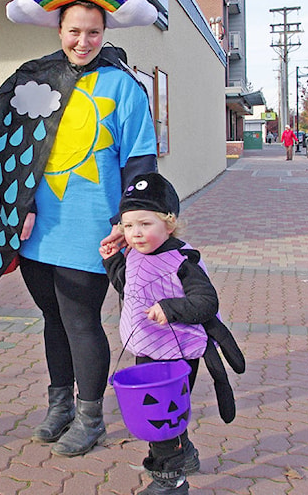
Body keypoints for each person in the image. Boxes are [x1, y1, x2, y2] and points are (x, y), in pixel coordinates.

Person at [0, 0, 159, 458]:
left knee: (80, 318)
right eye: (73, 30)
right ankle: (59, 406)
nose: (82, 41)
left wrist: (129, 220)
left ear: (105, 33)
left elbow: (140, 160)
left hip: (93, 227)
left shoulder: (122, 86)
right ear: (58, 29)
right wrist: (11, 210)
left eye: (93, 32)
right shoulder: (33, 79)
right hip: (38, 226)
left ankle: (90, 417)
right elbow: (9, 151)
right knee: (52, 318)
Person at [100, 173, 243, 495]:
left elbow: (206, 302)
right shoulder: (135, 253)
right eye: (128, 226)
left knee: (158, 416)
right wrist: (112, 263)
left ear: (169, 223)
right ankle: (185, 453)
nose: (136, 233)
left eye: (145, 224)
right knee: (162, 414)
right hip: (147, 346)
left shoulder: (182, 261)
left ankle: (171, 481)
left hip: (177, 354)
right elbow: (131, 288)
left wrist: (170, 308)